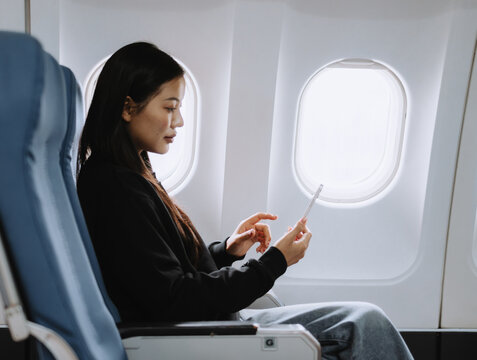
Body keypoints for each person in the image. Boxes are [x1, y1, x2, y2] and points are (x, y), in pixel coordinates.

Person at [76, 42, 413, 360]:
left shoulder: (132, 170)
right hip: (190, 337)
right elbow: (174, 300)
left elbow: (159, 271)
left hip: (207, 327)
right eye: (169, 108)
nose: (178, 121)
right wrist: (274, 262)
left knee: (363, 319)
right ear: (127, 107)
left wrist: (228, 251)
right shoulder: (114, 190)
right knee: (364, 324)